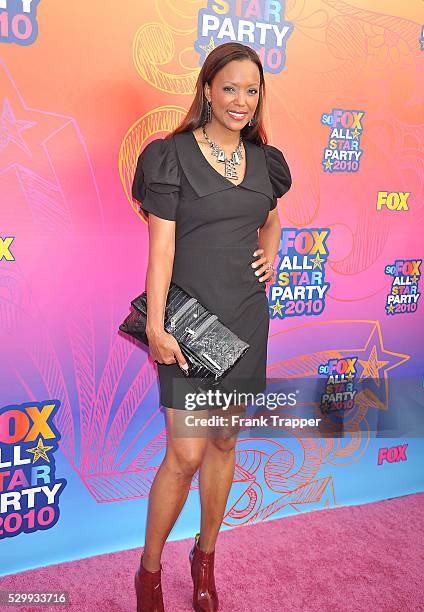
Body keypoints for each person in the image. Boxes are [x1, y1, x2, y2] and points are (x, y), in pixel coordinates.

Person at [131, 42, 292, 612]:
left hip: (246, 317)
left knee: (224, 441)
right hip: (189, 324)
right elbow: (161, 250)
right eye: (229, 88)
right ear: (206, 89)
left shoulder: (265, 160)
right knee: (186, 453)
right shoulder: (170, 156)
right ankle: (149, 571)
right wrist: (156, 324)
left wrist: (269, 253)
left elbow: (270, 221)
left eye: (251, 91)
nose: (240, 101)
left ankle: (205, 558)